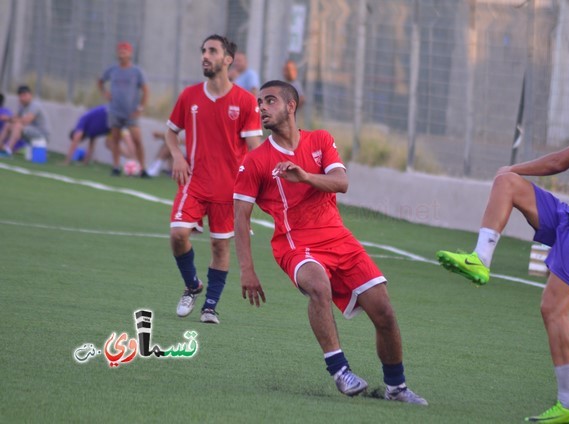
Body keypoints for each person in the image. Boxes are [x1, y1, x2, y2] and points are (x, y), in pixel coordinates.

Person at [436, 57, 569, 423]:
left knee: (554, 309)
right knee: (508, 187)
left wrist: (512, 166)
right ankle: (480, 259)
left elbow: (560, 162)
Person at [233, 80, 427, 404]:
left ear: (290, 106)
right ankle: (340, 371)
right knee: (318, 286)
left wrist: (305, 176)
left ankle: (396, 387)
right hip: (295, 245)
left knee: (385, 312)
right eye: (259, 103)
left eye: (270, 101)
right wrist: (246, 270)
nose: (262, 108)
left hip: (340, 239)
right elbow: (240, 217)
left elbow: (342, 182)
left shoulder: (320, 140)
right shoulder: (255, 161)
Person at [166, 34, 262, 324]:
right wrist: (178, 156)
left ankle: (210, 306)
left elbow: (256, 149)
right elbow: (171, 131)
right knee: (178, 234)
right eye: (203, 50)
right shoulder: (189, 95)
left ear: (227, 60)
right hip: (194, 183)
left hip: (229, 191)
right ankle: (193, 285)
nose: (205, 56)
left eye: (212, 51)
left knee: (220, 247)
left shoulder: (245, 102)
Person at [98, 41, 150, 177]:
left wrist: (140, 108)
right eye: (120, 51)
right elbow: (100, 81)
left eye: (125, 51)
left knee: (137, 140)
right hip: (115, 111)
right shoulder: (112, 70)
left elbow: (145, 91)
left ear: (130, 53)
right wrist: (104, 93)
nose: (122, 54)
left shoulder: (136, 71)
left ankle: (143, 169)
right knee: (115, 139)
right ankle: (116, 167)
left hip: (131, 113)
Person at [0, 85, 50, 157]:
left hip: (42, 134)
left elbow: (25, 121)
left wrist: (8, 118)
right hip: (29, 131)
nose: (22, 98)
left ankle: (8, 151)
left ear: (30, 95)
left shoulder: (35, 106)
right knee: (8, 125)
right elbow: (15, 118)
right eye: (20, 96)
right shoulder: (23, 107)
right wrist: (7, 118)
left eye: (24, 95)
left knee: (18, 125)